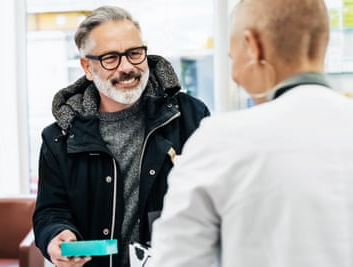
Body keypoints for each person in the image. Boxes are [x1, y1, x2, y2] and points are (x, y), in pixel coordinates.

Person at [151, 0, 353, 267]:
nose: (235, 76)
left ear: (253, 46)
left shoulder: (221, 141)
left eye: (233, 58)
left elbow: (177, 260)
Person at [32, 5, 210, 267]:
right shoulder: (59, 137)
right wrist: (57, 235)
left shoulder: (189, 116)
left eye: (134, 53)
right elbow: (50, 211)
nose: (127, 67)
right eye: (111, 58)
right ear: (87, 67)